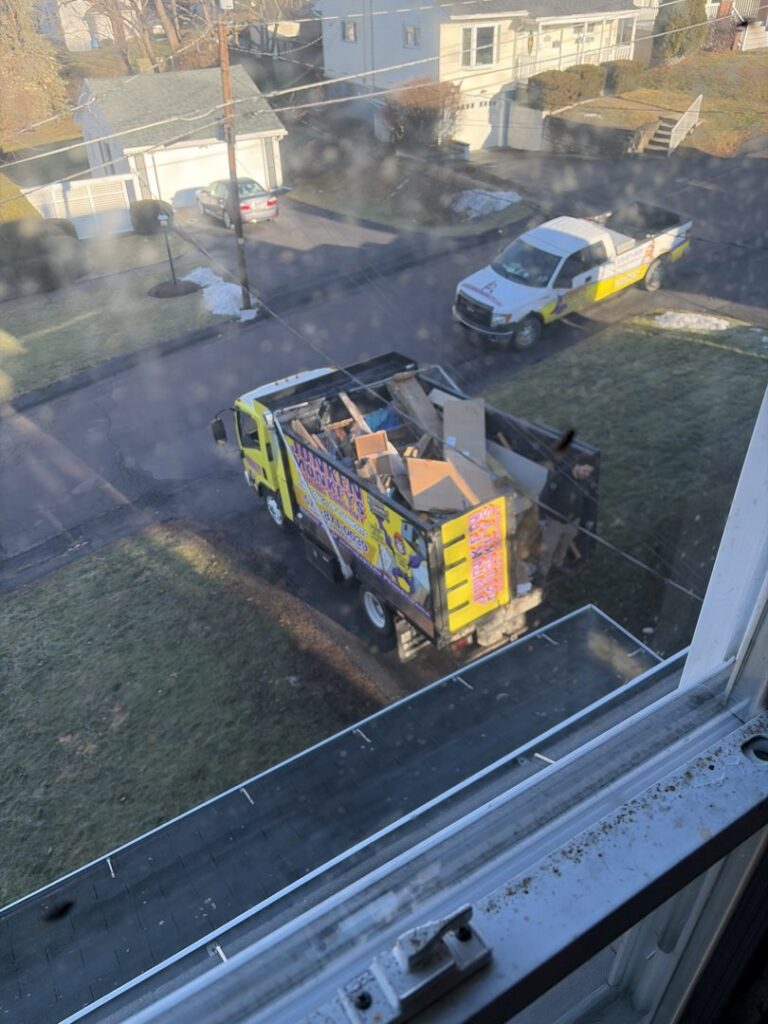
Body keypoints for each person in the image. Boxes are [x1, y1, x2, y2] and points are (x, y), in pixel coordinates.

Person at [537, 455, 595, 580]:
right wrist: (542, 517)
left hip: (572, 522)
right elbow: (543, 498)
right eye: (585, 471)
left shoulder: (586, 481)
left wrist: (589, 518)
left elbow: (589, 500)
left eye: (589, 472)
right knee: (548, 549)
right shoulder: (559, 478)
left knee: (564, 546)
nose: (586, 474)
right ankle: (542, 573)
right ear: (577, 466)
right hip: (554, 521)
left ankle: (557, 565)